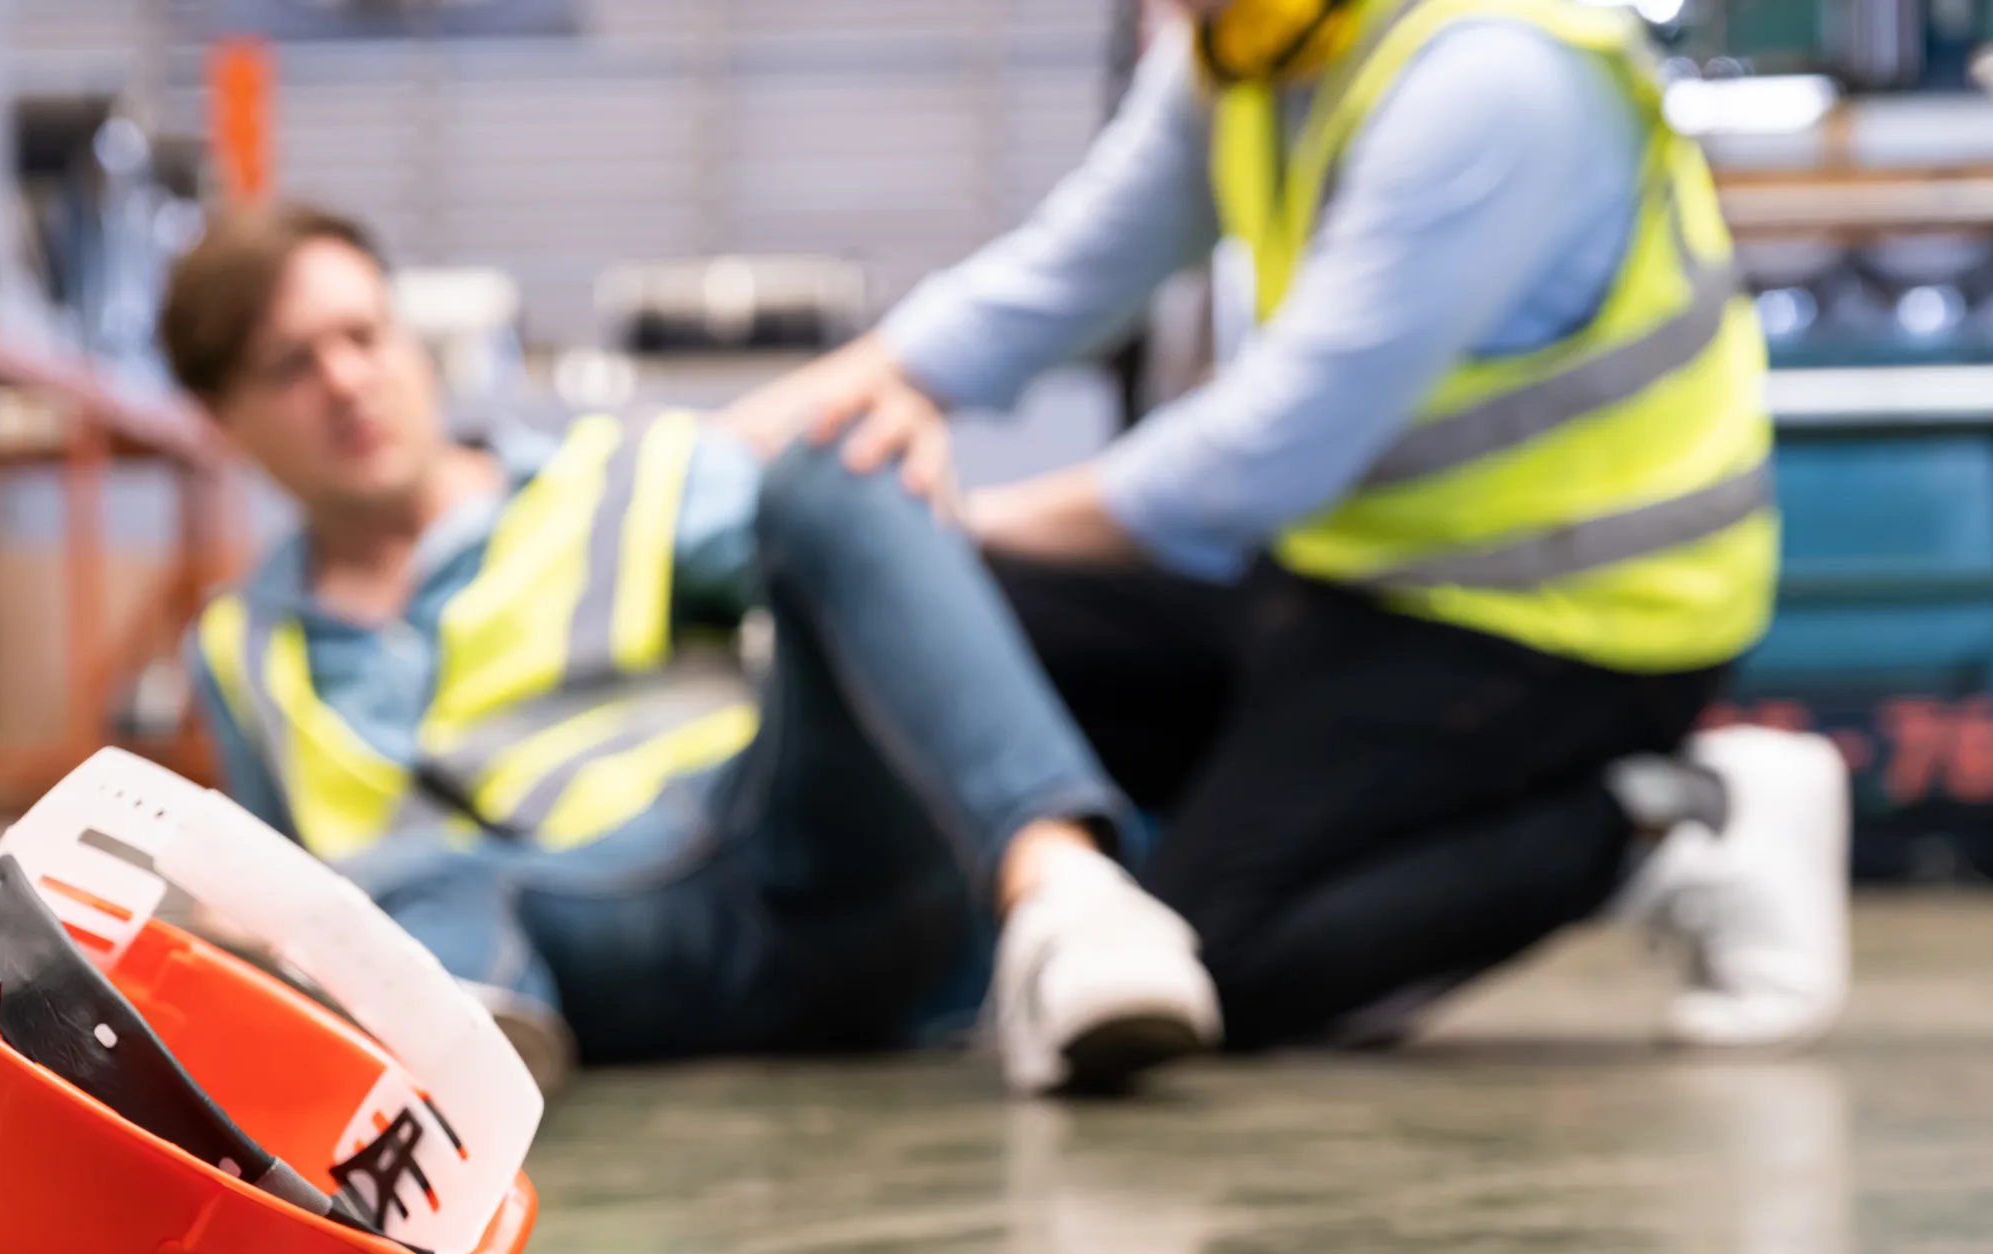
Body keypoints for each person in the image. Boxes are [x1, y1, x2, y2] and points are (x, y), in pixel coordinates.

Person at [754, 0, 1851, 1051]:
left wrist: (939, 529)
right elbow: (1049, 285)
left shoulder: (1494, 79)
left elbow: (1258, 460)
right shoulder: (1242, 43)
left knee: (1204, 964)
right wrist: (709, 465)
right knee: (950, 636)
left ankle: (1665, 823)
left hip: (1572, 627)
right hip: (1351, 577)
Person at [160, 202, 1220, 1096]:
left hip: (789, 849)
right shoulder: (240, 651)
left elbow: (848, 549)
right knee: (413, 886)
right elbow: (278, 893)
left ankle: (1063, 901)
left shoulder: (623, 477)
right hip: (562, 954)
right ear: (223, 420)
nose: (347, 381)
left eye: (364, 336)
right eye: (292, 365)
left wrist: (892, 495)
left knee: (844, 457)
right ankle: (460, 1085)